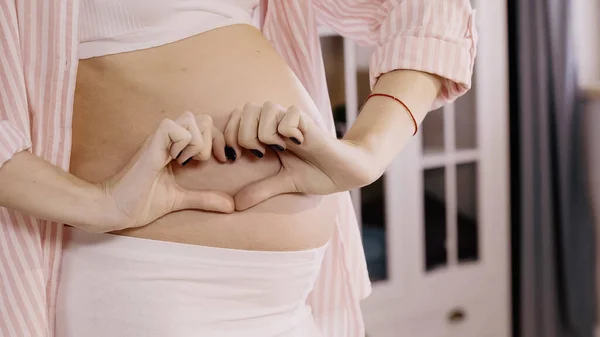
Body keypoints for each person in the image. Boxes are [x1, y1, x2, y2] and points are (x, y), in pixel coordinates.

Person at [0, 1, 477, 336]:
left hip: (298, 289)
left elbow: (431, 10)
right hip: (150, 281)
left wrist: (369, 151)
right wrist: (97, 203)